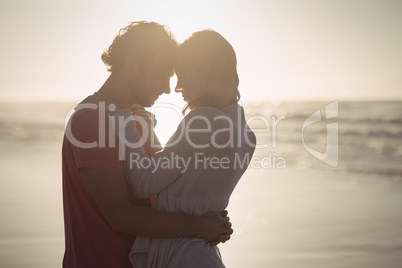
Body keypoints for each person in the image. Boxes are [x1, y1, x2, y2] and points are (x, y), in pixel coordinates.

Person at [62, 22, 232, 268]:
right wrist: (198, 226)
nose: (166, 88)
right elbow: (122, 216)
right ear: (132, 64)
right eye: (162, 74)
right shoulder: (92, 120)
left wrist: (206, 212)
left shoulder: (136, 122)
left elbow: (158, 193)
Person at [111, 30, 256, 267]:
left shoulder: (203, 120)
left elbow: (145, 183)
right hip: (201, 254)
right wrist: (147, 130)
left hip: (181, 255)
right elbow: (181, 180)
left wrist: (125, 122)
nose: (177, 88)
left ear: (205, 70)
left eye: (182, 76)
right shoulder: (247, 136)